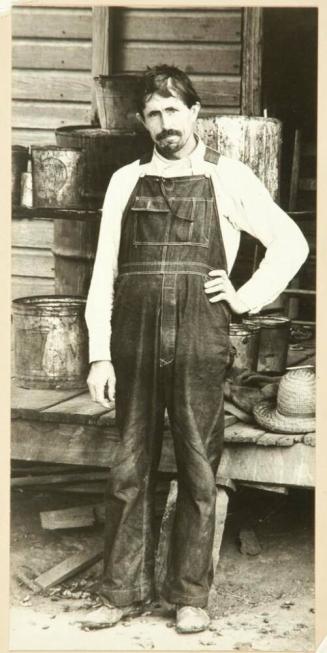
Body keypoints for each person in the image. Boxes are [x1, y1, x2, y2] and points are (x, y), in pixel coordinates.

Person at [84, 65, 309, 633]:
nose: (166, 124)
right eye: (155, 115)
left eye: (174, 111)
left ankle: (188, 597)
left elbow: (292, 242)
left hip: (199, 339)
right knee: (129, 467)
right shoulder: (124, 182)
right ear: (143, 121)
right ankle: (122, 590)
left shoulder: (228, 178)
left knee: (198, 468)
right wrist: (99, 353)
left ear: (195, 111)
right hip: (132, 340)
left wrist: (245, 297)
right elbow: (103, 272)